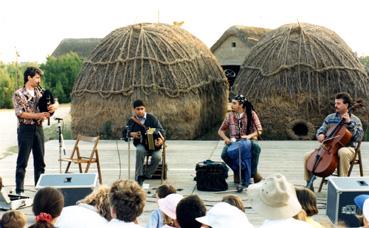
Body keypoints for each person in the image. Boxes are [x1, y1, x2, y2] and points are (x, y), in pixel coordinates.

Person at [12, 66, 58, 195]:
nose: (39, 80)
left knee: (40, 162)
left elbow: (54, 101)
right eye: (37, 77)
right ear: (29, 77)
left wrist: (55, 106)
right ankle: (19, 191)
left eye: (39, 77)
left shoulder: (40, 91)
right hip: (25, 129)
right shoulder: (18, 93)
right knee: (22, 162)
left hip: (38, 129)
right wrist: (39, 115)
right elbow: (20, 113)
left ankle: (40, 190)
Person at [304, 92, 363, 190]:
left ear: (346, 105)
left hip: (349, 149)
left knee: (342, 151)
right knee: (307, 156)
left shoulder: (355, 120)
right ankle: (309, 185)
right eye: (335, 103)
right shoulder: (330, 117)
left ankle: (342, 184)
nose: (335, 105)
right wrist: (320, 135)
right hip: (329, 148)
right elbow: (321, 129)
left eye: (338, 103)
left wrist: (349, 123)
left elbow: (359, 137)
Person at [218, 94, 263, 185]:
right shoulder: (230, 115)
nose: (231, 105)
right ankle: (238, 171)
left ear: (241, 105)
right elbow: (220, 131)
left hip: (248, 140)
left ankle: (253, 173)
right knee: (224, 154)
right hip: (234, 142)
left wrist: (249, 136)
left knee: (256, 148)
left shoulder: (251, 113)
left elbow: (259, 130)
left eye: (234, 103)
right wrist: (226, 139)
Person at [125, 99, 165, 186]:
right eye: (138, 109)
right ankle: (138, 177)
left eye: (142, 109)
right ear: (134, 110)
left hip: (155, 145)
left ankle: (146, 175)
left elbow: (162, 131)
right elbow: (125, 133)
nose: (140, 111)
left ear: (145, 109)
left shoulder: (152, 118)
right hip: (141, 144)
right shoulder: (132, 121)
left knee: (157, 157)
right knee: (140, 150)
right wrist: (131, 134)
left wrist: (161, 140)